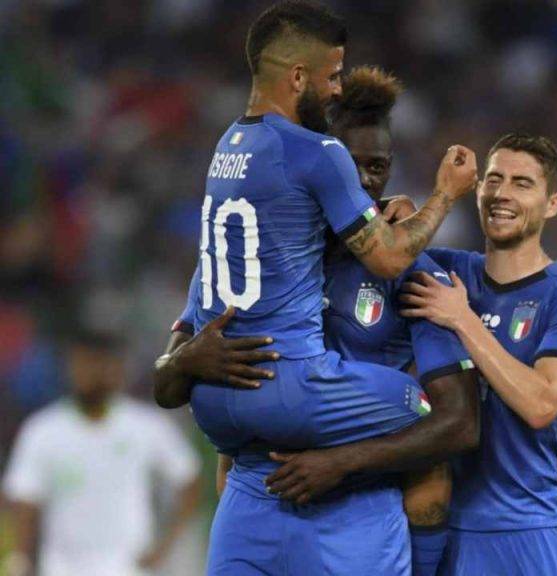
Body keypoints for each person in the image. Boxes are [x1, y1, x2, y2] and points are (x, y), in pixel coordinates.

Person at [156, 66, 479, 576]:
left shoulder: (410, 273)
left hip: (357, 508)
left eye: (379, 167)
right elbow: (167, 384)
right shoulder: (242, 256)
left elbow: (457, 423)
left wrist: (340, 463)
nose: (368, 182)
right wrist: (185, 360)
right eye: (354, 167)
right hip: (256, 495)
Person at [267, 133, 557, 575]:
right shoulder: (443, 269)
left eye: (523, 184)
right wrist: (408, 213)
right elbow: (369, 247)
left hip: (522, 530)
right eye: (494, 180)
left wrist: (463, 319)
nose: (503, 194)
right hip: (433, 523)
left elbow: (542, 404)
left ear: (554, 203)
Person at [3, 332, 200, 576]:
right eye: (81, 364)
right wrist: (22, 558)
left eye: (96, 364)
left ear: (115, 369)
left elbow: (189, 481)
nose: (88, 374)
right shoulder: (43, 430)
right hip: (62, 568)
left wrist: (166, 545)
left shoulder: (146, 425)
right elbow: (25, 500)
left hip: (128, 567)